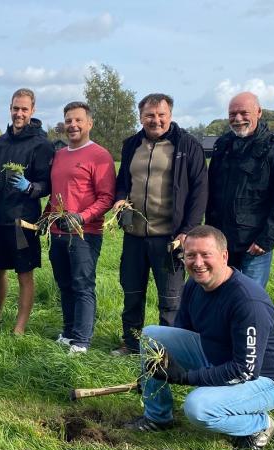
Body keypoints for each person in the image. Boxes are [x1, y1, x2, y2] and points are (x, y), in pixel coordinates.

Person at [125, 226, 274, 450]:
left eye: (205, 254)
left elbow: (245, 370)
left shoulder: (248, 303)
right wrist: (154, 374)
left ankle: (259, 424)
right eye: (190, 255)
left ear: (224, 256)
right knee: (152, 335)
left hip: (264, 379)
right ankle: (158, 417)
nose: (197, 262)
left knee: (198, 408)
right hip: (217, 354)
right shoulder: (194, 285)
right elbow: (183, 332)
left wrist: (187, 377)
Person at [112, 93, 207, 356]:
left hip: (170, 237)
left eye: (161, 115)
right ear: (141, 117)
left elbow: (200, 192)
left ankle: (166, 353)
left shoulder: (188, 146)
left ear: (170, 115)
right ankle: (131, 344)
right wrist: (120, 200)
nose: (155, 120)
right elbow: (122, 181)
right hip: (134, 235)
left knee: (170, 300)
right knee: (132, 293)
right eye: (149, 115)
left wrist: (187, 230)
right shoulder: (131, 144)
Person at [0, 88, 54, 336]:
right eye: (15, 108)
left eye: (24, 109)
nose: (19, 113)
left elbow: (47, 184)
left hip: (24, 220)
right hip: (0, 216)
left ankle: (20, 327)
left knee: (24, 271)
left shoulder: (42, 144)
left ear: (32, 110)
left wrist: (30, 187)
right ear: (10, 108)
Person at [48, 102, 115, 353]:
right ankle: (68, 332)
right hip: (57, 231)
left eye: (77, 120)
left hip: (84, 233)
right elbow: (56, 193)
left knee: (82, 285)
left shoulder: (100, 156)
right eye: (68, 121)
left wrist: (82, 217)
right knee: (64, 284)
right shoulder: (60, 155)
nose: (72, 125)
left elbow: (106, 197)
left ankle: (82, 340)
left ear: (89, 123)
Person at [206, 91, 274, 288]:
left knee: (250, 300)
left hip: (254, 245)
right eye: (232, 114)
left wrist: (266, 240)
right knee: (220, 296)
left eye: (244, 113)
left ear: (259, 112)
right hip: (222, 241)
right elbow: (211, 192)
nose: (237, 119)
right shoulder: (223, 145)